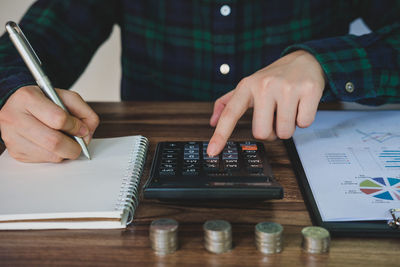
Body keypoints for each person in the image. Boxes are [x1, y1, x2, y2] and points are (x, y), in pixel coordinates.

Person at [0, 0, 399, 163]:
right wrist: (10, 94)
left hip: (310, 157)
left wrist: (325, 62)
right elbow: (28, 48)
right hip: (140, 179)